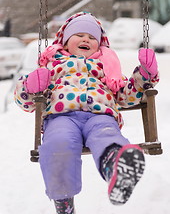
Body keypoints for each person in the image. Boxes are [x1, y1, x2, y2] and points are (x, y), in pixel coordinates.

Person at [14, 12, 159, 213]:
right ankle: (63, 201)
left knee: (107, 136)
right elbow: (27, 103)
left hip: (100, 116)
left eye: (92, 38)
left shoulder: (107, 68)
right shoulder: (53, 66)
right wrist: (29, 87)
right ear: (64, 43)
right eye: (79, 35)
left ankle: (117, 168)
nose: (86, 39)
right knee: (58, 144)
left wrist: (144, 75)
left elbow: (128, 96)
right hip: (60, 117)